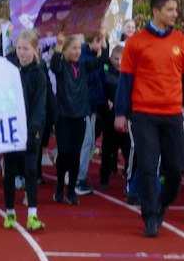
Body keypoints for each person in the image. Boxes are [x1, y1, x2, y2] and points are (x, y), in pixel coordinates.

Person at [114, 0, 184, 237]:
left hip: (173, 114)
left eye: (176, 9)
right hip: (143, 114)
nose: (175, 14)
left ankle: (163, 201)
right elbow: (125, 80)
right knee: (148, 166)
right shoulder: (136, 42)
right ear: (156, 11)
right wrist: (120, 113)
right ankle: (150, 217)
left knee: (177, 166)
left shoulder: (182, 41)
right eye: (170, 10)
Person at [2, 29, 48, 231]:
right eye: (19, 48)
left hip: (30, 130)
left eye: (26, 49)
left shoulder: (39, 74)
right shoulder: (9, 70)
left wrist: (34, 129)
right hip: (11, 128)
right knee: (10, 171)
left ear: (35, 49)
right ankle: (10, 212)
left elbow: (39, 105)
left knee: (30, 171)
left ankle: (32, 214)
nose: (22, 52)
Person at [49, 33, 94, 205]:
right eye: (73, 48)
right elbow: (54, 65)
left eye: (79, 48)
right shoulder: (62, 66)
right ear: (65, 50)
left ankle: (72, 190)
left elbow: (102, 60)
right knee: (64, 152)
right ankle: (60, 185)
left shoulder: (82, 65)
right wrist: (59, 45)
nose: (77, 52)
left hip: (80, 114)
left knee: (76, 154)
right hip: (63, 115)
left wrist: (103, 36)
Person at [75, 32, 110, 196]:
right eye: (102, 41)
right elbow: (88, 76)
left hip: (95, 103)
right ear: (95, 40)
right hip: (84, 103)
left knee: (89, 143)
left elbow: (103, 77)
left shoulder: (99, 55)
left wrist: (106, 97)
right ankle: (77, 178)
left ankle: (79, 175)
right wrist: (100, 59)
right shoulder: (82, 54)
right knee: (86, 141)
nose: (104, 45)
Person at [99, 45, 131, 191]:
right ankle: (104, 178)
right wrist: (106, 101)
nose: (119, 62)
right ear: (111, 59)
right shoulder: (106, 74)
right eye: (116, 59)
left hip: (125, 117)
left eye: (121, 59)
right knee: (107, 150)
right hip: (109, 118)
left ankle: (129, 175)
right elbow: (101, 90)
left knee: (128, 149)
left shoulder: (128, 75)